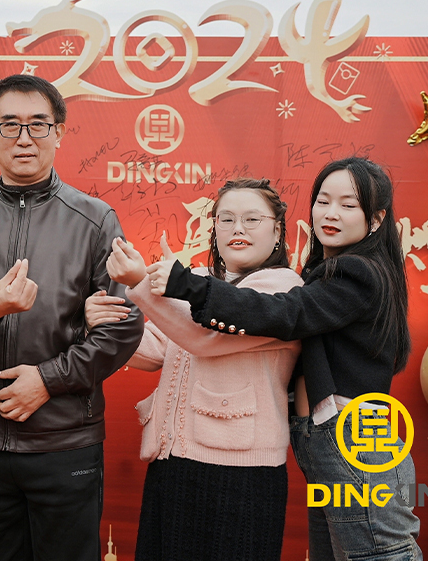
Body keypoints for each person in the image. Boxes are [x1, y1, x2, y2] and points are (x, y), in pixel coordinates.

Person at [144, 158, 421, 560]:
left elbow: (286, 313)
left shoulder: (357, 272)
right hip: (327, 441)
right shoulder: (328, 270)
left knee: (381, 554)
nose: (330, 213)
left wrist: (183, 283)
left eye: (348, 205)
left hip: (354, 439)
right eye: (323, 201)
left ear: (376, 220)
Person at [0, 74, 144, 561]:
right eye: (10, 125)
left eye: (38, 124)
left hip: (65, 439)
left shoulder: (95, 219)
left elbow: (122, 324)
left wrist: (47, 380)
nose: (24, 138)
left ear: (59, 132)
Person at [97, 178, 302, 560]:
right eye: (226, 219)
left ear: (277, 231)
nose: (238, 228)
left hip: (240, 476)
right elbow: (155, 347)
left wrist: (140, 282)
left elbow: (203, 337)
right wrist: (103, 322)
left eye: (252, 219)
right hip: (172, 463)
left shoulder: (284, 288)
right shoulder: (200, 283)